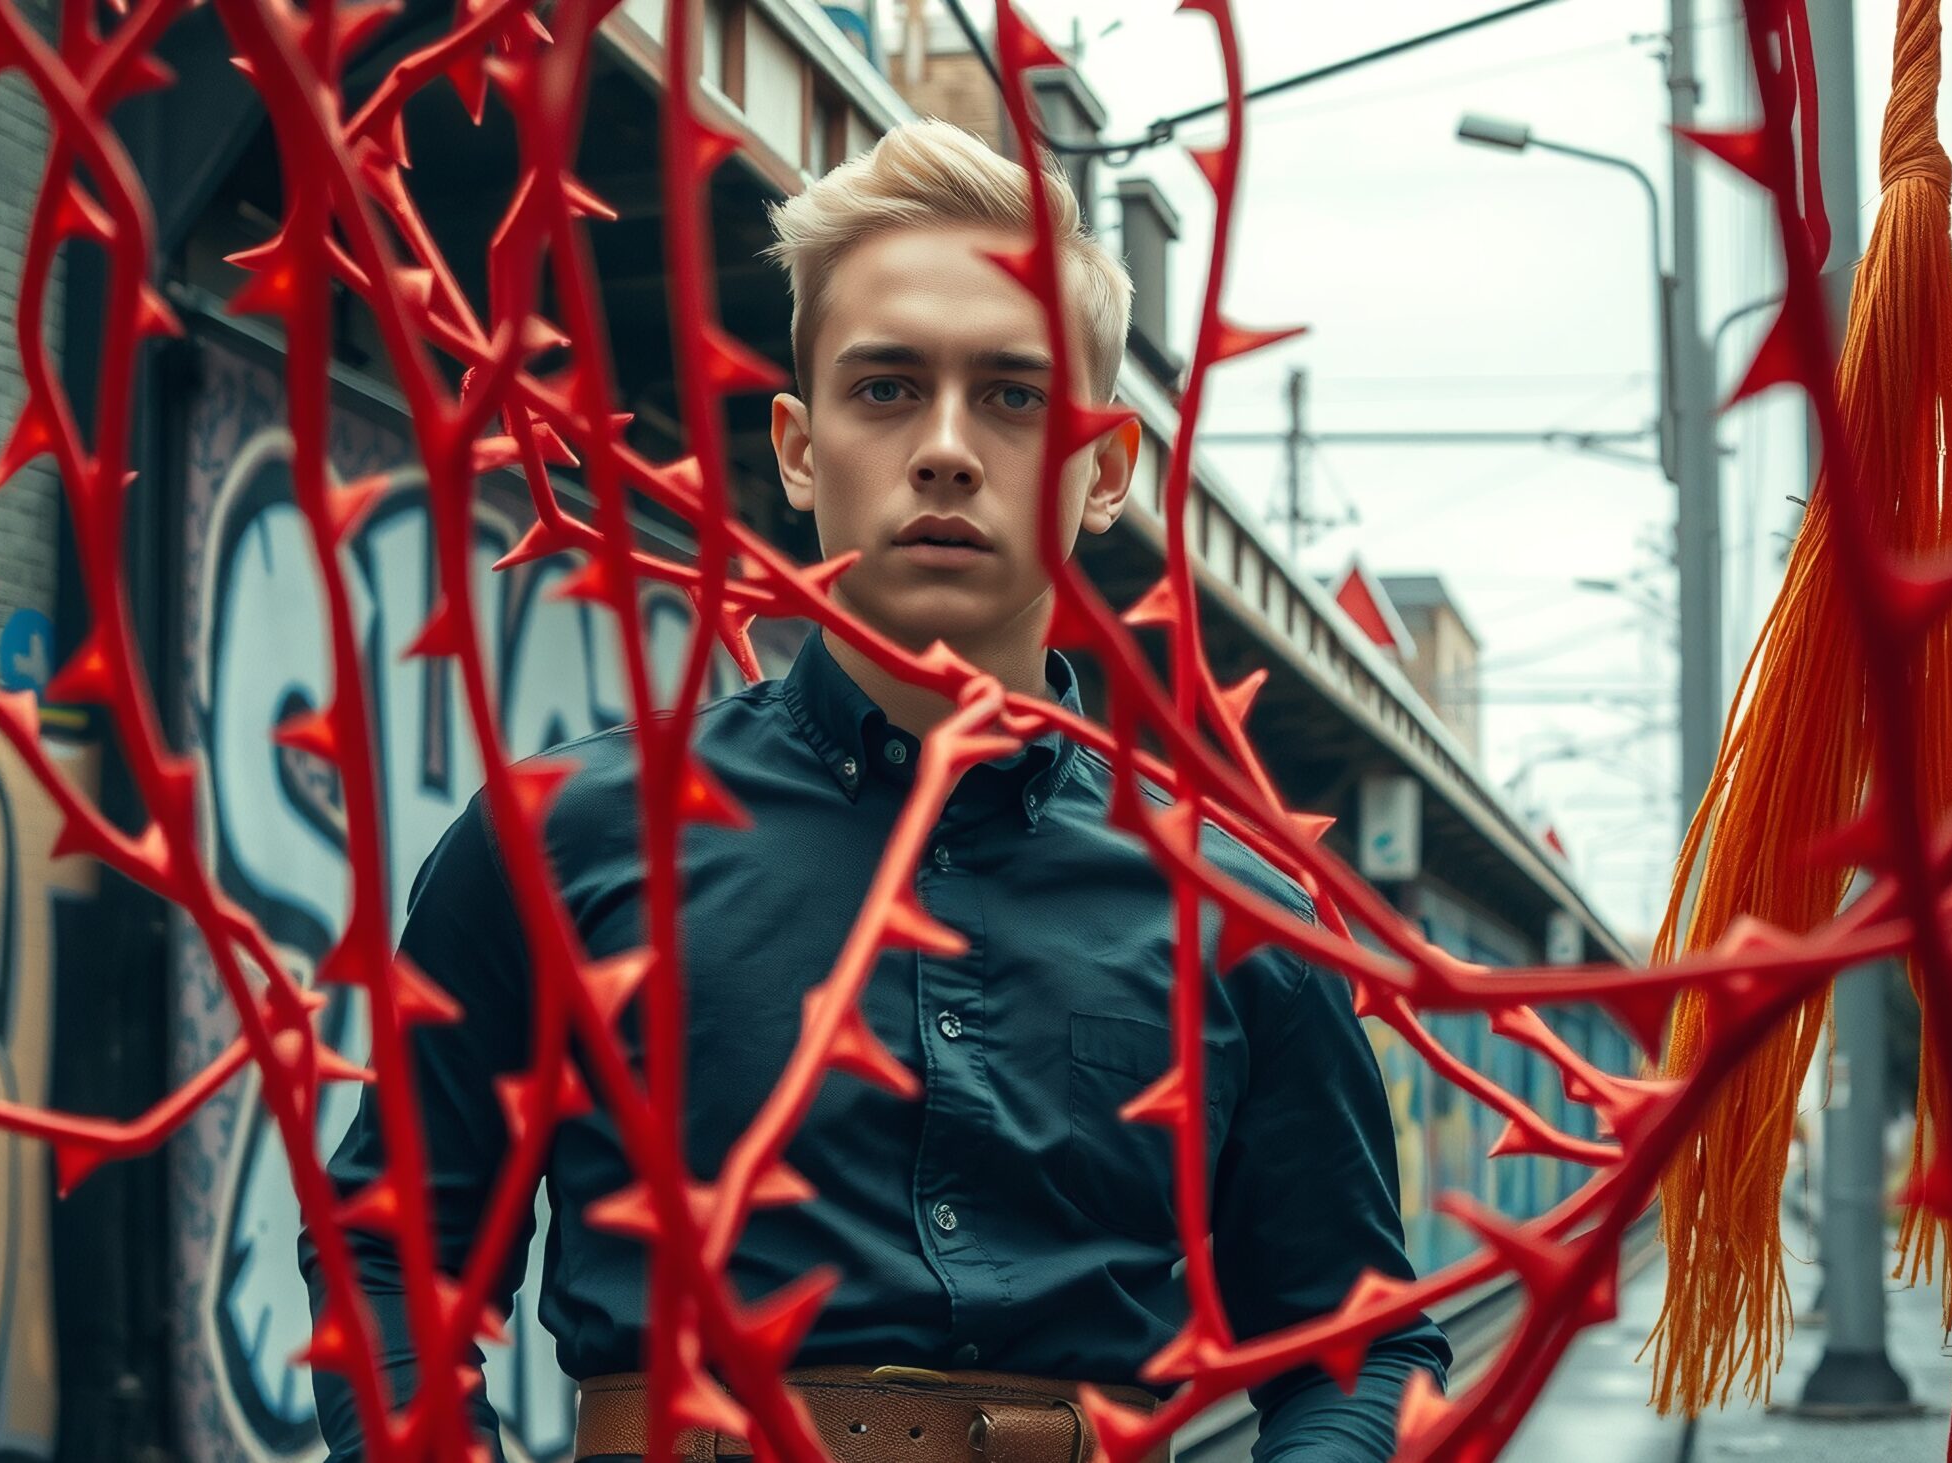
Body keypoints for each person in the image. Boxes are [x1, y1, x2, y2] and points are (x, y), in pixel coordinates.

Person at [301, 118, 1448, 1463]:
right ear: (799, 447)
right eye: (887, 388)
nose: (948, 448)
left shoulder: (1241, 919)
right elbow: (392, 1259)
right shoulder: (559, 848)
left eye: (1015, 395)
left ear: (1105, 471)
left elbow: (1360, 1349)